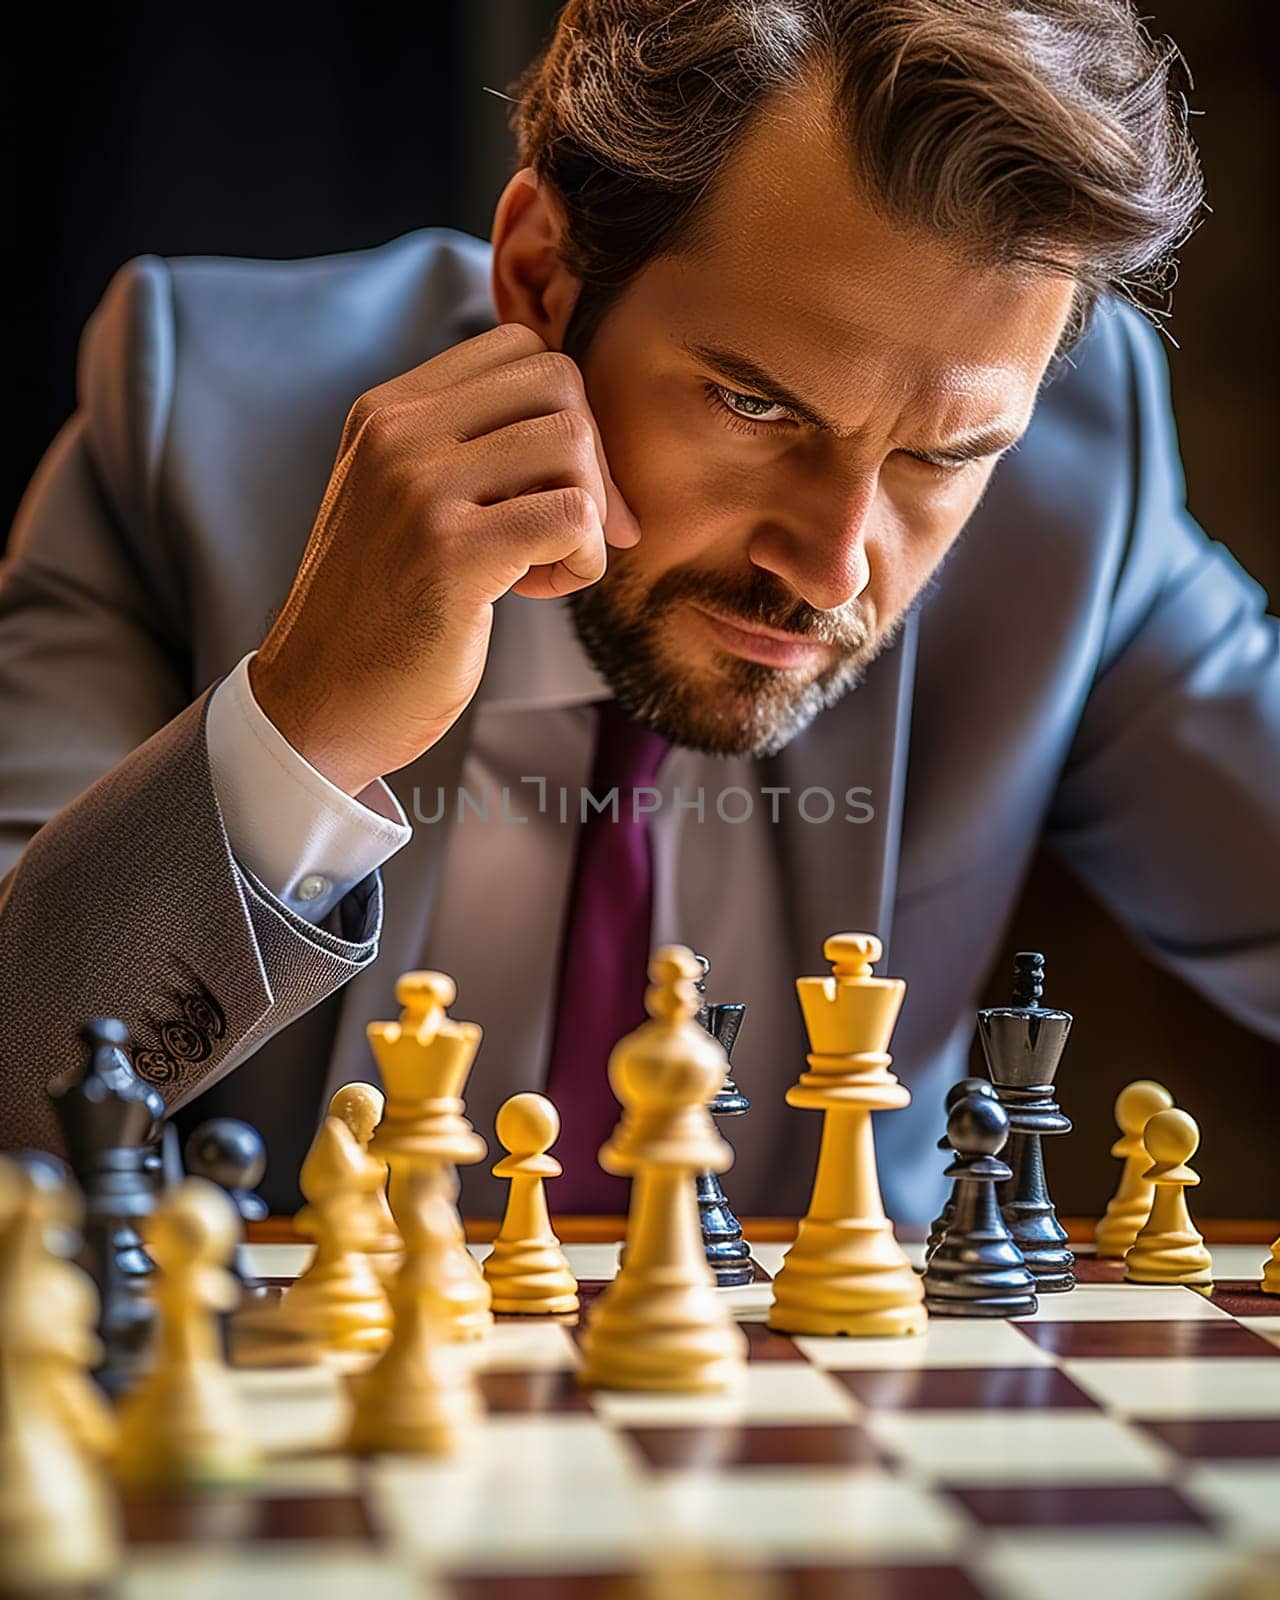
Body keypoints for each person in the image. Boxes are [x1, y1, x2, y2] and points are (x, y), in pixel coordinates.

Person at [2, 0, 1276, 1220]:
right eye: (757, 406)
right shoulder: (194, 429)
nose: (832, 567)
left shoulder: (1071, 480)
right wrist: (300, 733)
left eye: (938, 459)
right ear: (541, 276)